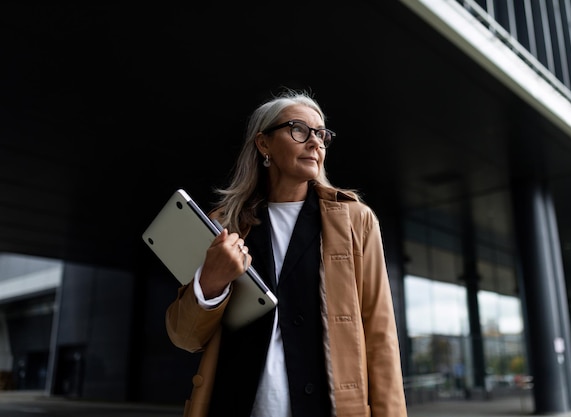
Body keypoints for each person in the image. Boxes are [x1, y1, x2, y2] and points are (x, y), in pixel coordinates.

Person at [165, 88, 407, 417]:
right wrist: (210, 282)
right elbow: (184, 337)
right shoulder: (222, 225)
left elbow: (381, 338)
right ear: (263, 144)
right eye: (299, 130)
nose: (315, 142)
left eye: (321, 134)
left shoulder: (356, 221)